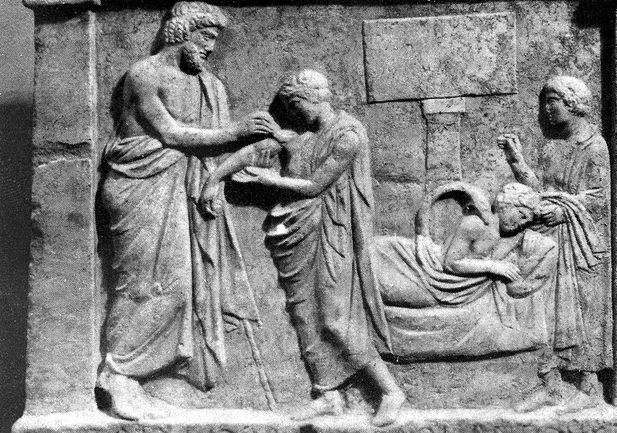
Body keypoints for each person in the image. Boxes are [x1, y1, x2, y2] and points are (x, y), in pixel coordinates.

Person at [98, 2, 282, 420]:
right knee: (141, 285)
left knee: (178, 288)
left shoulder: (209, 85)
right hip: (139, 188)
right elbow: (170, 132)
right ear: (182, 31)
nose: (211, 48)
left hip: (182, 191)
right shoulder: (144, 74)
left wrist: (236, 164)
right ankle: (116, 375)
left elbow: (212, 148)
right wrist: (236, 132)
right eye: (206, 37)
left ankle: (136, 377)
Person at [208, 69, 406, 426]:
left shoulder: (347, 135)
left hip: (331, 235)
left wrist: (269, 180)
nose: (292, 113)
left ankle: (389, 390)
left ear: (313, 98)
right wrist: (215, 177)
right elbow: (255, 151)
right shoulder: (302, 135)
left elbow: (315, 185)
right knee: (303, 313)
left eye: (295, 105)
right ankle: (327, 393)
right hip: (294, 235)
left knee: (335, 318)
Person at [497, 76, 611, 412]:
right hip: (549, 241)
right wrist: (517, 161)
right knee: (544, 312)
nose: (545, 109)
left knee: (583, 312)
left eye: (552, 101)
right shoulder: (551, 147)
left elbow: (599, 199)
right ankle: (551, 386)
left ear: (573, 103)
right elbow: (540, 191)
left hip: (580, 242)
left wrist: (561, 210)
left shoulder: (594, 147)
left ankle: (589, 388)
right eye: (543, 102)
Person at [372, 182, 558, 361]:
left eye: (526, 221)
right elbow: (451, 264)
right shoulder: (474, 224)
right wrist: (493, 266)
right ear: (506, 206)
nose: (522, 223)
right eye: (521, 215)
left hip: (457, 284)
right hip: (426, 271)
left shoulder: (509, 234)